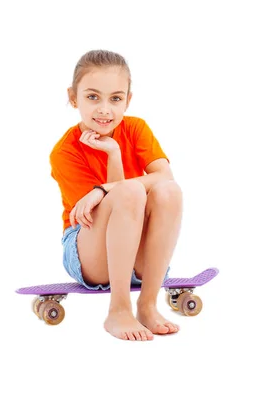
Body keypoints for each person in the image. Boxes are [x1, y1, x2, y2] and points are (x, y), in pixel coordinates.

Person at [49, 50, 183, 341]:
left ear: (128, 100)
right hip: (89, 251)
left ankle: (147, 305)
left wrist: (107, 178)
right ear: (74, 98)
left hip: (137, 257)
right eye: (93, 97)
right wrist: (112, 159)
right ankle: (118, 309)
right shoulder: (65, 152)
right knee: (132, 190)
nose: (105, 110)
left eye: (115, 99)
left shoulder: (136, 129)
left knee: (169, 191)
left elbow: (165, 176)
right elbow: (104, 212)